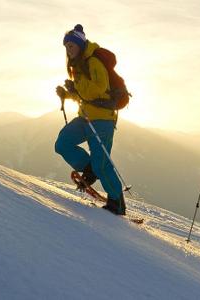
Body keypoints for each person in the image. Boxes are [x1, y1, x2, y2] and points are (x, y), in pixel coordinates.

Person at [55, 24, 126, 215]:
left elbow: (98, 89)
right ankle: (89, 168)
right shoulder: (77, 65)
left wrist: (75, 87)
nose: (68, 49)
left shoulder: (94, 61)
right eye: (66, 46)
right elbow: (84, 94)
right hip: (85, 117)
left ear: (80, 45)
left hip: (102, 120)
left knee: (101, 162)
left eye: (71, 45)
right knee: (62, 143)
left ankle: (116, 202)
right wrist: (68, 94)